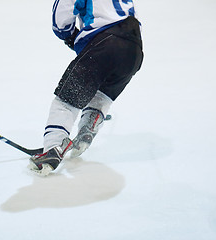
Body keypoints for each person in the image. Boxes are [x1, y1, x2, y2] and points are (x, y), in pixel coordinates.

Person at [29, 0, 144, 176]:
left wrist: (70, 36)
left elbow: (61, 20)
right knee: (102, 95)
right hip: (134, 49)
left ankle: (53, 147)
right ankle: (87, 128)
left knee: (66, 101)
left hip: (106, 43)